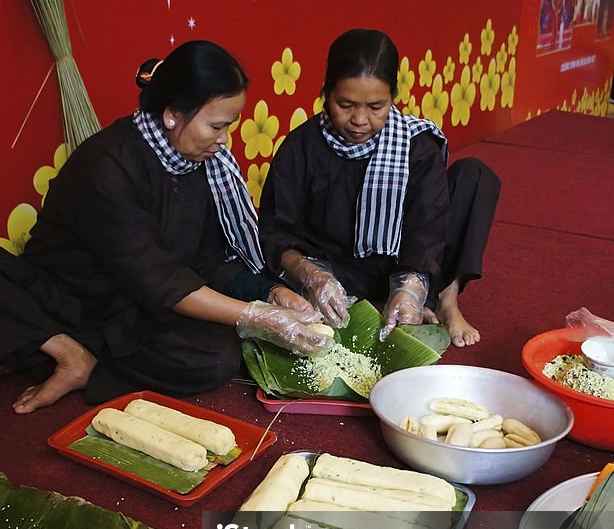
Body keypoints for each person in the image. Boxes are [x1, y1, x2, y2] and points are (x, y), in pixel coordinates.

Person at [0, 40, 330, 414]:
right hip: (64, 300)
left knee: (217, 357)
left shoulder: (194, 165)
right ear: (172, 114)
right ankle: (64, 350)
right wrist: (254, 316)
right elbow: (164, 283)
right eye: (216, 126)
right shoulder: (107, 166)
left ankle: (87, 360)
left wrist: (268, 292)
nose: (223, 141)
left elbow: (206, 260)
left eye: (229, 126)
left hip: (130, 306)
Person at [258, 29, 501, 346]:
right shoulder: (302, 146)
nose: (360, 119)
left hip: (405, 265)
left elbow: (428, 228)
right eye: (345, 104)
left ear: (393, 97)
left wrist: (411, 286)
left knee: (475, 176)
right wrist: (313, 276)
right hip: (337, 276)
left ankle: (443, 299)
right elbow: (276, 233)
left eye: (376, 106)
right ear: (326, 93)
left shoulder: (416, 145)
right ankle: (368, 305)